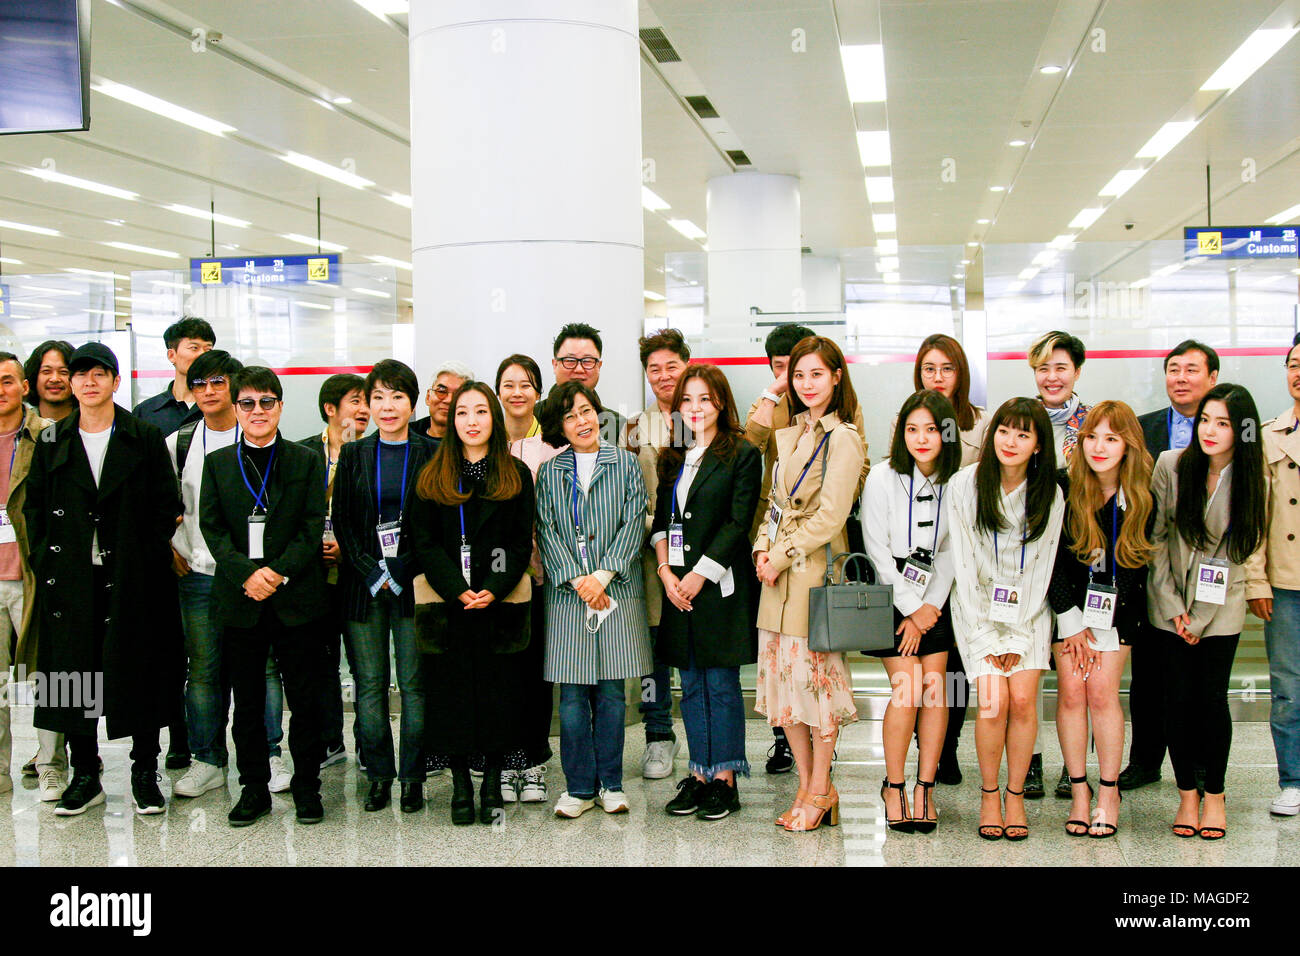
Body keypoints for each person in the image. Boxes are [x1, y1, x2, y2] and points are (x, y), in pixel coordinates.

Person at [24, 342, 184, 816]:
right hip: (71, 579)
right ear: (70, 385)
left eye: (99, 373)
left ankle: (143, 769)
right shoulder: (53, 440)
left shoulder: (143, 436)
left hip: (131, 578)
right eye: (80, 375)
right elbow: (33, 510)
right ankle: (86, 773)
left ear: (116, 382)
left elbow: (165, 506)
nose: (88, 382)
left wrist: (145, 557)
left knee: (140, 672)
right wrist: (46, 562)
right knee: (71, 677)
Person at [199, 366, 329, 827]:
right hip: (240, 601)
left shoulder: (305, 459)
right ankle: (254, 788)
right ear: (236, 409)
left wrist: (274, 572)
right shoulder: (217, 464)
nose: (258, 411)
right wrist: (246, 576)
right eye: (248, 403)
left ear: (279, 406)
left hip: (296, 599)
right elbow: (212, 529)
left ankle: (307, 787)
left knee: (306, 701)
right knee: (247, 704)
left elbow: (312, 525)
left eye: (267, 402)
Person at [744, 323, 870, 775]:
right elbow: (774, 503)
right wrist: (762, 547)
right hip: (775, 576)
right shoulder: (793, 431)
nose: (807, 384)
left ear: (836, 377)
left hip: (812, 572)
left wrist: (777, 555)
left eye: (817, 374)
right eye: (799, 375)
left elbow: (832, 516)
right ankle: (804, 785)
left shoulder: (844, 437)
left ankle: (822, 788)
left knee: (816, 688)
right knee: (784, 691)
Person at [410, 381, 534, 824]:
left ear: (493, 419)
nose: (472, 421)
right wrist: (455, 587)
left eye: (481, 412)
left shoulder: (515, 473)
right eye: (463, 413)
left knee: (499, 694)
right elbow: (422, 542)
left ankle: (493, 780)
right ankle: (461, 782)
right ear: (452, 421)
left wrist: (492, 587)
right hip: (449, 606)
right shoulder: (432, 473)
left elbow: (520, 543)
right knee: (453, 697)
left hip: (497, 604)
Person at [1148, 383, 1267, 840]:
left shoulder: (1254, 479)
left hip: (1220, 612)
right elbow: (1154, 541)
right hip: (1168, 606)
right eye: (1206, 420)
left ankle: (1214, 794)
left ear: (1243, 431)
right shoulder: (1171, 465)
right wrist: (1175, 608)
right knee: (1175, 702)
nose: (1211, 431)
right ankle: (1187, 796)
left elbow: (1235, 555)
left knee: (1211, 702)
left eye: (1224, 423)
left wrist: (1197, 619)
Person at [166, 350, 287, 798]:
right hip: (200, 574)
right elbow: (164, 508)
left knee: (265, 669)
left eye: (220, 382)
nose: (210, 391)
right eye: (200, 383)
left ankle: (271, 754)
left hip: (258, 577)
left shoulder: (262, 434)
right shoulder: (178, 443)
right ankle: (207, 759)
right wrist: (169, 548)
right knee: (203, 670)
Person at [535, 381, 653, 818]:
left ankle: (611, 784)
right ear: (560, 426)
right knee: (570, 701)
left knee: (612, 696)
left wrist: (602, 575)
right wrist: (578, 579)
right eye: (570, 416)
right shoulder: (551, 471)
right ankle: (579, 788)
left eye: (586, 411)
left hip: (616, 593)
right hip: (569, 599)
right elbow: (546, 530)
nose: (581, 421)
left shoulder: (624, 463)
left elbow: (633, 521)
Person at [949, 397, 1064, 840]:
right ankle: (990, 794)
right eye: (1003, 430)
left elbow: (1042, 568)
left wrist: (1015, 637)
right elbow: (963, 566)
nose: (1010, 441)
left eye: (1023, 434)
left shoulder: (1049, 492)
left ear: (1038, 445)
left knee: (1022, 700)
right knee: (993, 702)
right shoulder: (964, 484)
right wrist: (986, 635)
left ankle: (1015, 795)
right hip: (976, 612)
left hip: (1029, 615)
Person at [651, 364, 762, 820]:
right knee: (690, 685)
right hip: (677, 587)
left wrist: (699, 574)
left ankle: (725, 780)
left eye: (705, 399)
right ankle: (698, 775)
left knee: (720, 683)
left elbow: (739, 522)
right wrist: (664, 571)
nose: (695, 409)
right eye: (687, 400)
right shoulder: (673, 456)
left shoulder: (742, 453)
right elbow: (661, 523)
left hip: (719, 587)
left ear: (721, 403)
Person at [1047, 401, 1155, 839]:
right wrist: (1073, 621)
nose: (1099, 446)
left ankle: (1109, 791)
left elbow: (1138, 568)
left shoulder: (1143, 495)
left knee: (1102, 695)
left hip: (1118, 615)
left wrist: (1101, 629)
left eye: (1111, 438)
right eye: (1091, 436)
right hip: (1068, 611)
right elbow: (1048, 561)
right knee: (1072, 693)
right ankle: (1079, 791)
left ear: (1128, 445)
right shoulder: (1061, 486)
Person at [332, 360, 435, 813]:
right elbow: (344, 523)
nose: (387, 406)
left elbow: (436, 525)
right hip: (363, 586)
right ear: (367, 404)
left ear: (412, 402)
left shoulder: (432, 452)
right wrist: (372, 570)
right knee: (369, 685)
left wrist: (401, 568)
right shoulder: (354, 453)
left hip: (414, 584)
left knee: (414, 685)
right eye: (377, 397)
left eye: (397, 397)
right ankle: (378, 775)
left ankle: (413, 776)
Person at [862, 389, 962, 833]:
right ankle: (895, 785)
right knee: (909, 686)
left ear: (947, 434)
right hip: (890, 594)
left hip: (936, 600)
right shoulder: (882, 476)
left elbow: (953, 552)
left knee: (936, 689)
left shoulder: (959, 481)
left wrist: (928, 609)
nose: (922, 439)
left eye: (931, 430)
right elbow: (877, 550)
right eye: (912, 429)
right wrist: (908, 608)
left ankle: (926, 787)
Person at [1122, 339, 1221, 793]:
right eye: (1173, 369)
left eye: (1191, 370)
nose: (1180, 378)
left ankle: (1201, 765)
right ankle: (1145, 761)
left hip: (1208, 574)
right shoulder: (1142, 430)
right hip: (1151, 567)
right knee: (1149, 675)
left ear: (1212, 378)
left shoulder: (1229, 433)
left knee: (1201, 680)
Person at [133, 315, 216, 771]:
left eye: (207, 346)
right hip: (174, 560)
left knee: (213, 661)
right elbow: (145, 495)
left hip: (219, 563)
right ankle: (174, 742)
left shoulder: (226, 411)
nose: (199, 353)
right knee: (178, 656)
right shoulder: (148, 415)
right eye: (191, 346)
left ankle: (203, 744)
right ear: (171, 354)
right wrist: (167, 547)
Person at [911, 333, 988, 786]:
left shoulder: (980, 424)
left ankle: (949, 748)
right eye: (929, 369)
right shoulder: (912, 418)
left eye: (947, 369)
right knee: (926, 661)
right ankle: (926, 748)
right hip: (920, 560)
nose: (937, 378)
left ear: (960, 374)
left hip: (969, 560)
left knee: (955, 663)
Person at [497, 354, 563, 802]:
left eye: (526, 384)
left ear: (538, 393)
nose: (517, 392)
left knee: (537, 676)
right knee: (501, 674)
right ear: (498, 391)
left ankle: (535, 762)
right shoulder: (484, 442)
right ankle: (505, 762)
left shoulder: (554, 451)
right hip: (495, 585)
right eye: (509, 384)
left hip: (541, 581)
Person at [297, 373, 371, 770]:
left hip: (359, 575)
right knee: (321, 663)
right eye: (356, 401)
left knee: (365, 665)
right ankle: (330, 740)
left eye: (367, 402)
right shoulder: (305, 453)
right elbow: (292, 513)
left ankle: (367, 741)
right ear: (331, 408)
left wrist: (348, 545)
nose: (364, 410)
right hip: (314, 577)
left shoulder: (375, 453)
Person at [627, 328, 690, 781]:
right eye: (655, 369)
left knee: (700, 654)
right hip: (654, 558)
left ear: (687, 365)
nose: (664, 375)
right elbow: (631, 497)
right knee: (654, 655)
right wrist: (657, 534)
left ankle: (706, 737)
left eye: (672, 366)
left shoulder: (708, 417)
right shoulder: (635, 428)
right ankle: (658, 736)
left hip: (704, 558)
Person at [17, 344, 70, 789]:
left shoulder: (59, 432)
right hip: (19, 563)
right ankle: (44, 752)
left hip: (60, 569)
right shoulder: (30, 428)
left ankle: (62, 756)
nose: (55, 378)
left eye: (64, 370)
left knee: (61, 671)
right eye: (46, 371)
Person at [1253, 338, 1300, 816]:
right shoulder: (1269, 435)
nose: (1298, 373)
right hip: (1286, 582)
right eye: (1293, 365)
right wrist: (1255, 581)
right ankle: (1294, 779)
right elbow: (1254, 521)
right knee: (1287, 686)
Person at [0, 353, 47, 797]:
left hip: (34, 574)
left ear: (23, 387)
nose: (0, 389)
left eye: (7, 380)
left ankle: (53, 763)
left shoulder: (46, 438)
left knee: (52, 679)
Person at [535, 323, 626, 445]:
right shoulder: (533, 417)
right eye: (570, 361)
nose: (579, 369)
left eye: (587, 361)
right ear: (555, 364)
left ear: (599, 366)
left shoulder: (618, 426)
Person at [1029, 330, 1089, 463]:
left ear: (1077, 372)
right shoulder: (1020, 420)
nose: (1051, 377)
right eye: (1043, 369)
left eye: (1060, 368)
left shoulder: (1094, 422)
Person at [23, 340, 75, 422]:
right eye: (46, 371)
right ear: (34, 376)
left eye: (63, 372)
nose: (55, 379)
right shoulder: (21, 424)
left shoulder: (90, 424)